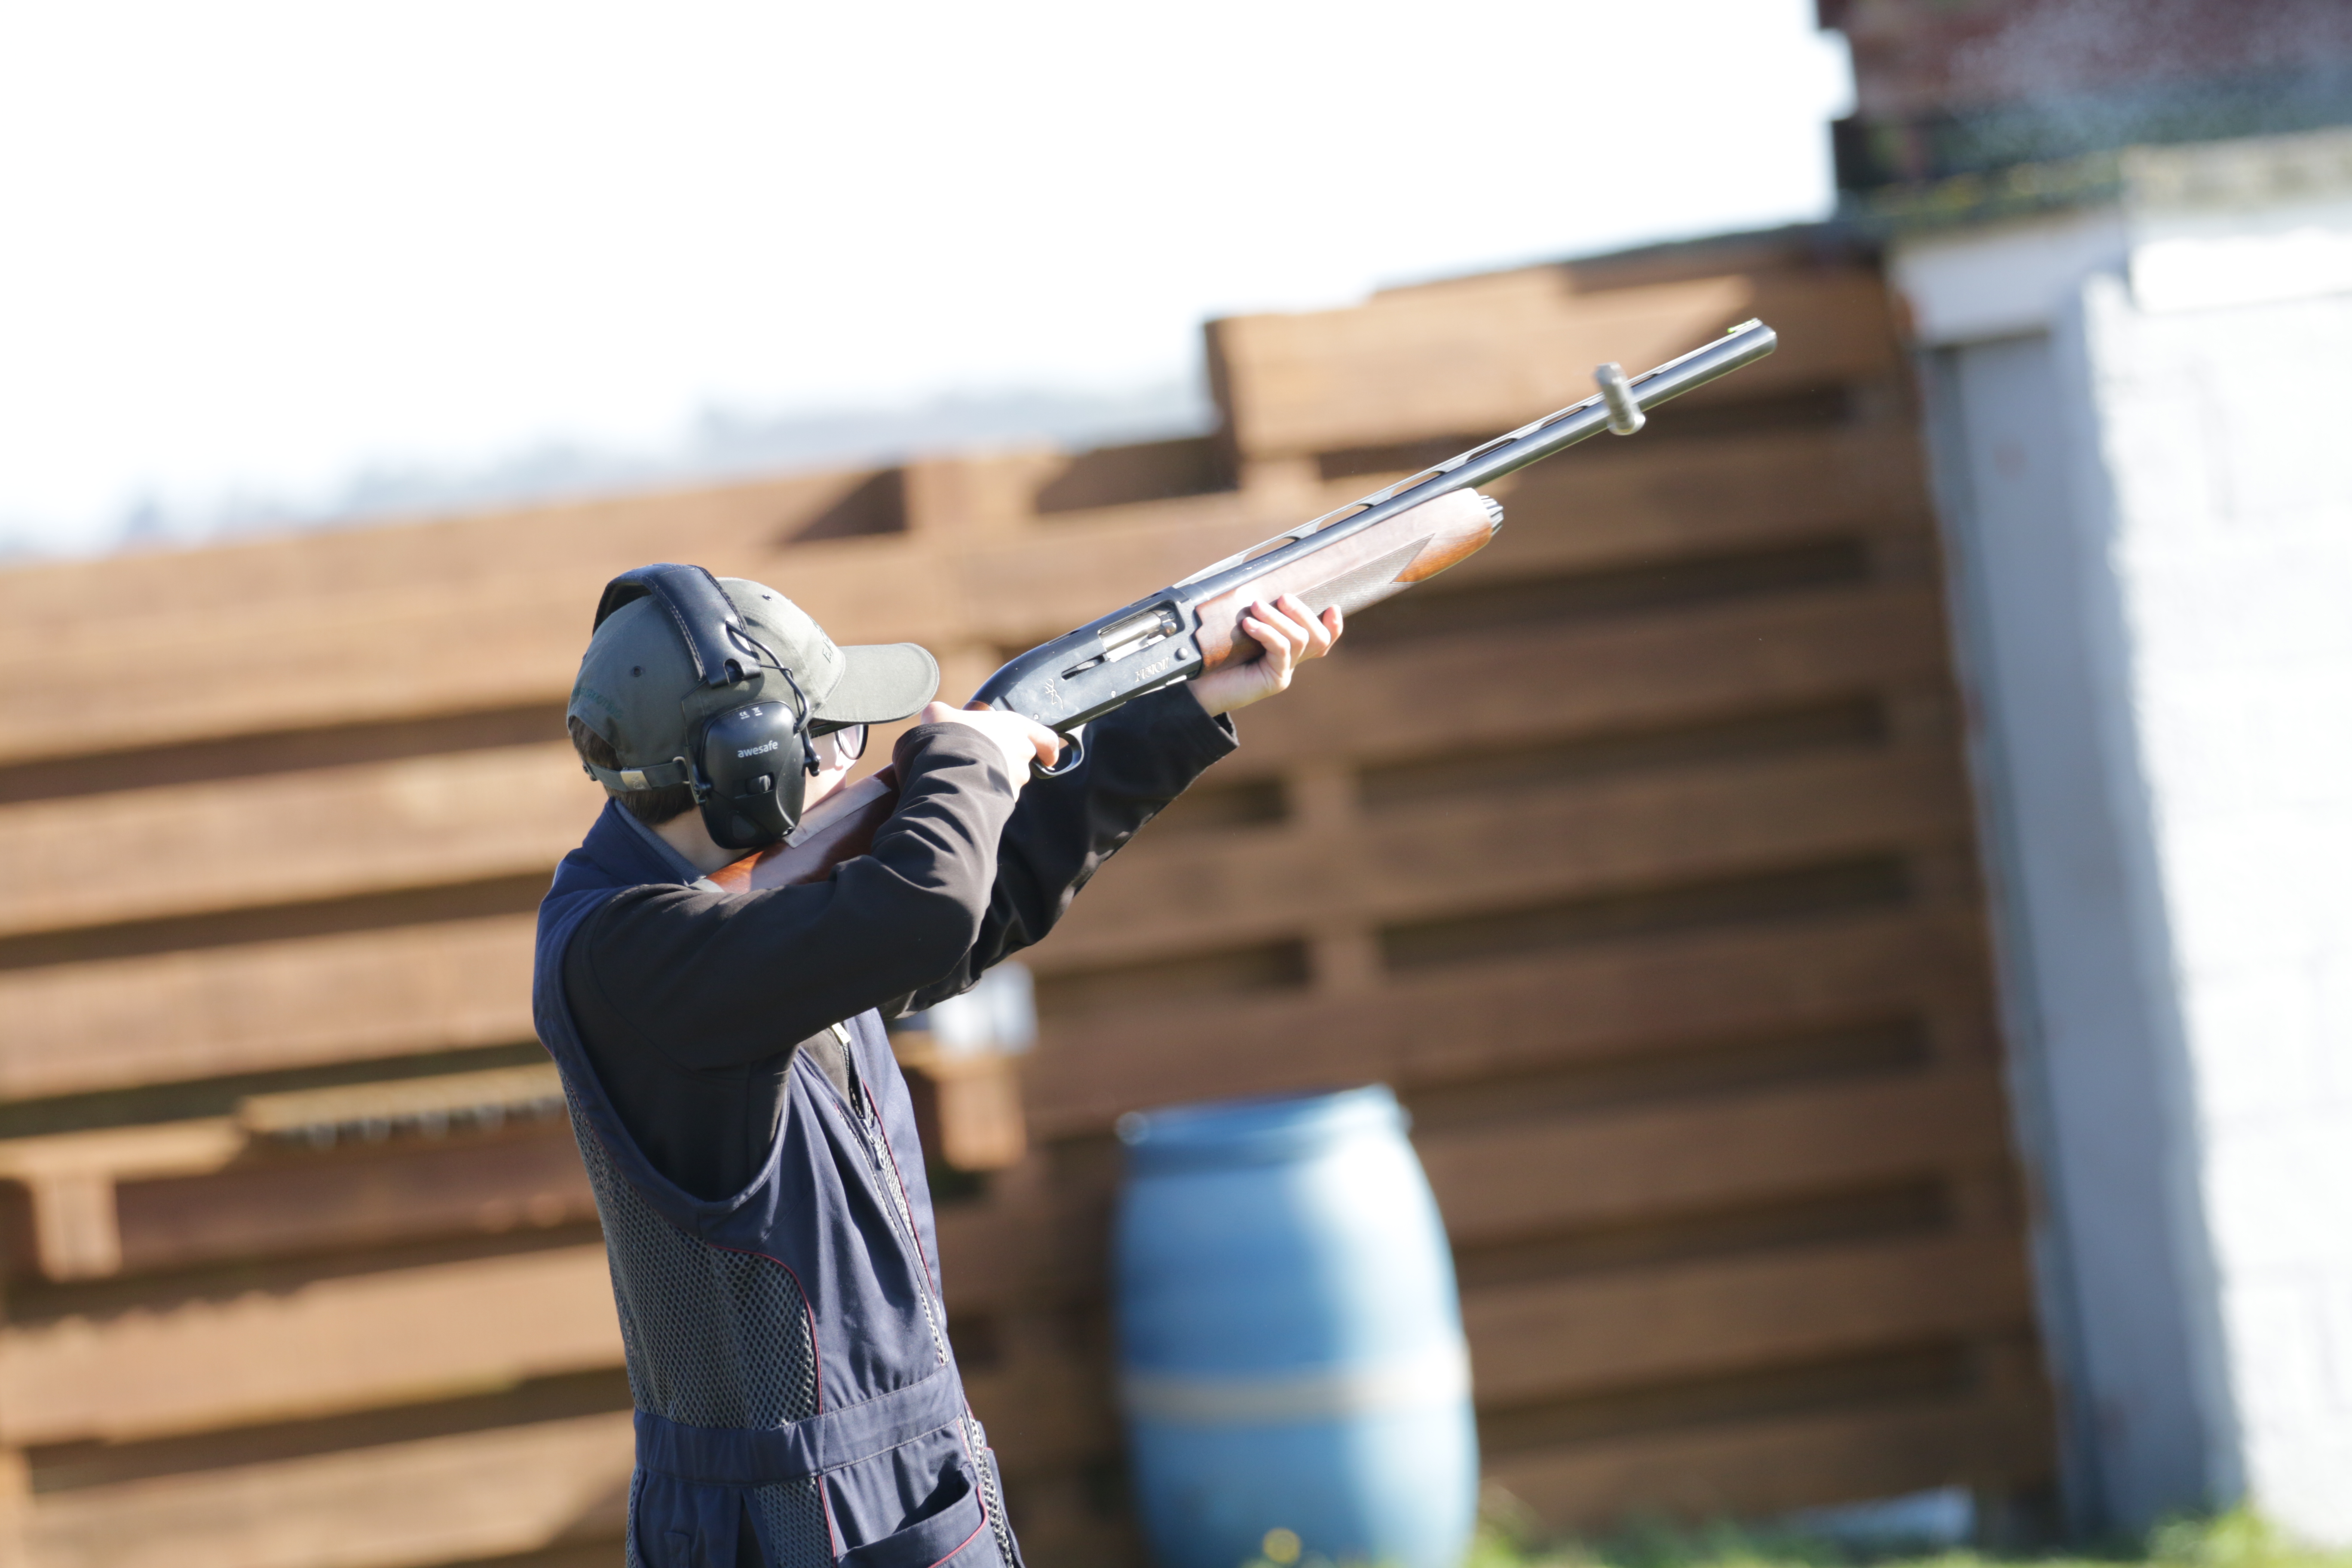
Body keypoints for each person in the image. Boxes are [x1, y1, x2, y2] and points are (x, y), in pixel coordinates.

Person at [532, 562, 1342, 1568]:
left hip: (853, 1495)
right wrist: (966, 754)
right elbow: (927, 908)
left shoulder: (702, 919)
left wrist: (1184, 708)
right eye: (835, 738)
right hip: (810, 1522)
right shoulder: (629, 954)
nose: (856, 763)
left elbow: (979, 900)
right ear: (752, 768)